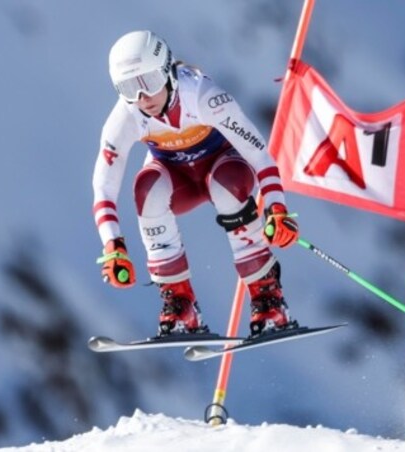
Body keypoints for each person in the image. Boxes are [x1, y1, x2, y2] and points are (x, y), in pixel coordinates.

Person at [93, 30, 300, 337]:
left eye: (148, 82)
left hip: (223, 165)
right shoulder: (126, 116)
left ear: (166, 72)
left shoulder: (203, 96)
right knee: (147, 188)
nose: (142, 98)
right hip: (178, 179)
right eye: (128, 88)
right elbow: (104, 188)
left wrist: (277, 207)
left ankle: (267, 297)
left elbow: (258, 154)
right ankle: (180, 304)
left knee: (226, 185)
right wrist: (113, 245)